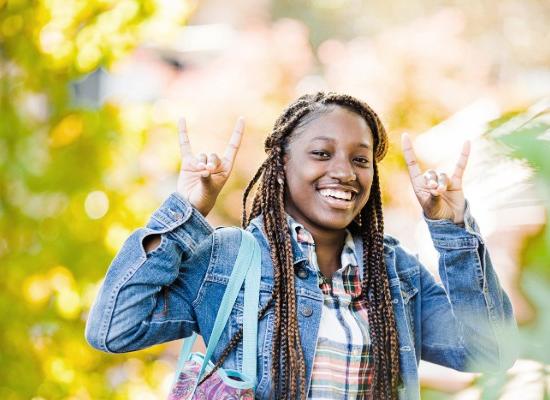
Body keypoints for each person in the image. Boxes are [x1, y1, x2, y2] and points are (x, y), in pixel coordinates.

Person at [85, 92, 517, 399]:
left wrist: (453, 229)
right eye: (322, 154)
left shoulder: (394, 271)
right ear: (281, 166)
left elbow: (490, 350)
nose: (345, 172)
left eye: (360, 159)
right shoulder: (229, 257)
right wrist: (186, 212)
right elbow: (113, 329)